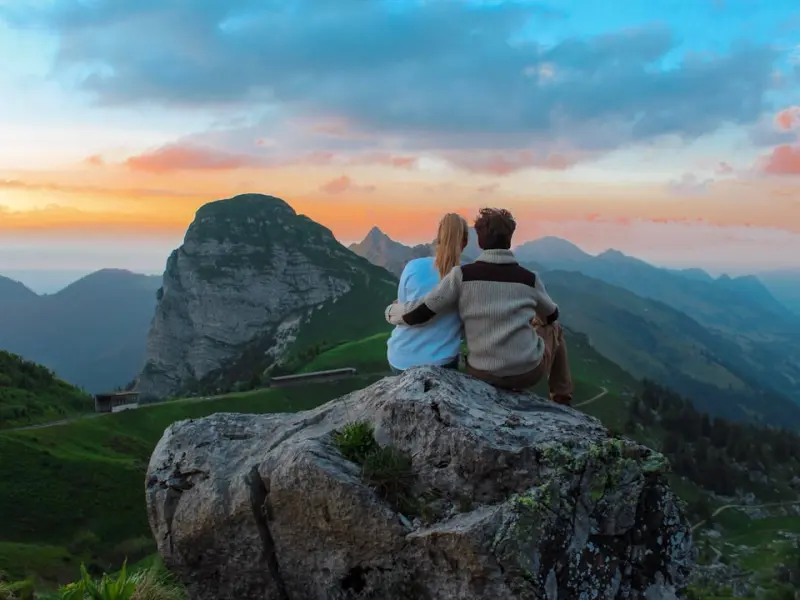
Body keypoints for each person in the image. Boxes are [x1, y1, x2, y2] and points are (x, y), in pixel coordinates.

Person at [384, 207, 573, 404]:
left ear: (480, 241)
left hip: (480, 373)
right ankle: (561, 396)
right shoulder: (529, 278)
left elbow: (422, 312)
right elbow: (552, 315)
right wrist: (532, 319)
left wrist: (392, 311)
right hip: (525, 374)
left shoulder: (462, 275)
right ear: (510, 238)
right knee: (555, 328)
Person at [386, 213, 469, 374]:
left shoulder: (413, 266)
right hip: (441, 362)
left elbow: (402, 306)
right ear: (465, 242)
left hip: (400, 358)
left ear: (438, 238)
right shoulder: (469, 275)